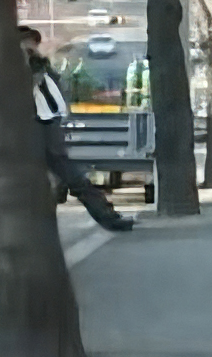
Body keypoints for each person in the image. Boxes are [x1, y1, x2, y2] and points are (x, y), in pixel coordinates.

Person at [20, 26, 134, 232]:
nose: (34, 47)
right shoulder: (20, 67)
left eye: (34, 43)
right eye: (28, 43)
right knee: (68, 180)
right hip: (35, 127)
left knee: (70, 180)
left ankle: (108, 217)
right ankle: (107, 218)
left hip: (50, 125)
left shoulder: (41, 66)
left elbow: (53, 94)